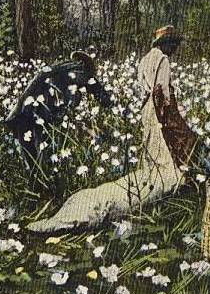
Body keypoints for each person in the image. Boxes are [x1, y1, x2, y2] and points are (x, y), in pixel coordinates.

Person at [27, 25, 198, 233]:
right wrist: (170, 116)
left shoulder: (145, 60)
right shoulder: (162, 60)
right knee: (163, 148)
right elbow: (160, 91)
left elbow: (121, 92)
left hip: (146, 110)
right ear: (167, 44)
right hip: (159, 110)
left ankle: (155, 176)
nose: (175, 50)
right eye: (174, 45)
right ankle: (166, 177)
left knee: (152, 145)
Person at [4, 50, 111, 175]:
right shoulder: (79, 72)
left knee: (33, 166)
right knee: (41, 163)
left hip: (19, 116)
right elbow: (101, 97)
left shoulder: (57, 68)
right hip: (37, 117)